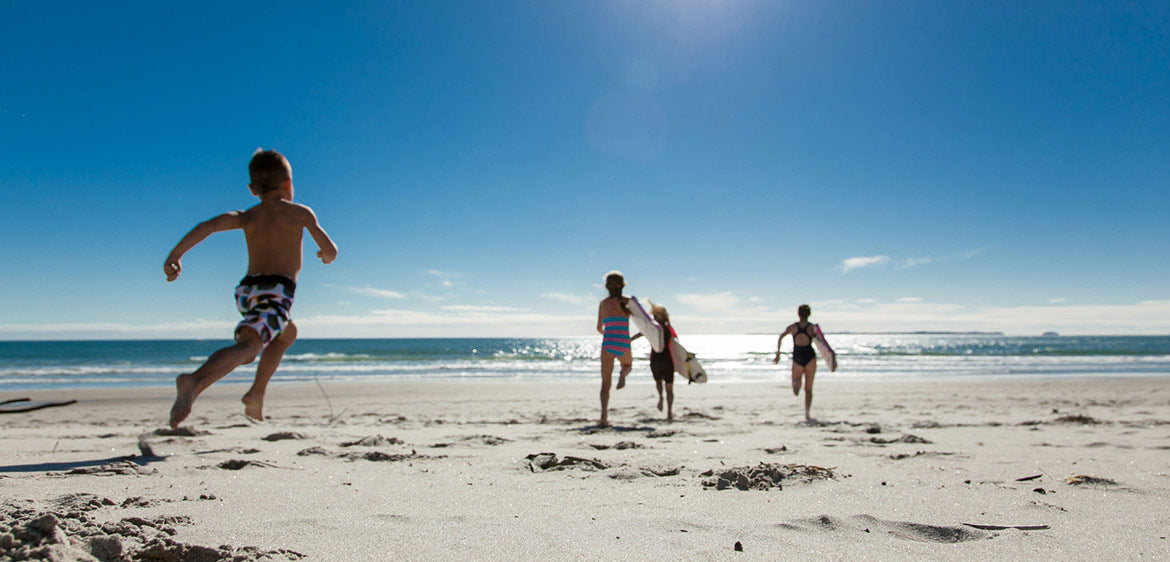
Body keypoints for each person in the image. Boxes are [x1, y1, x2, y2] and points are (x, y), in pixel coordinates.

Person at [163, 149, 338, 427]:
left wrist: (175, 256)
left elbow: (208, 226)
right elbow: (330, 250)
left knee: (286, 333)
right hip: (277, 291)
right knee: (249, 347)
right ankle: (193, 381)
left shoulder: (247, 216)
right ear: (288, 184)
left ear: (252, 189)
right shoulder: (300, 213)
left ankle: (256, 393)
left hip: (248, 292)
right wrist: (325, 256)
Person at [773, 304, 831, 421]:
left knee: (795, 386)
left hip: (797, 357)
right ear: (809, 314)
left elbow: (780, 337)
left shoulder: (793, 327)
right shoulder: (811, 328)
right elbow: (822, 344)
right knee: (808, 389)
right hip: (810, 357)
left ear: (798, 313)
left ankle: (796, 384)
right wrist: (830, 358)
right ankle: (807, 414)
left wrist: (778, 354)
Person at [596, 271, 633, 426]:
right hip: (624, 342)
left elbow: (599, 328)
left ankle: (604, 417)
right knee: (627, 365)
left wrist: (609, 334)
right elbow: (644, 321)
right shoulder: (628, 302)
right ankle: (623, 374)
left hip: (608, 343)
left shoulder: (603, 304)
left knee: (605, 383)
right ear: (623, 285)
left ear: (607, 287)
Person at [646, 301, 677, 421]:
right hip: (667, 360)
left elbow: (642, 332)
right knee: (669, 388)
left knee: (658, 383)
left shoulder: (652, 329)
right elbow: (676, 344)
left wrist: (630, 339)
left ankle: (660, 397)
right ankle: (669, 412)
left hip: (655, 360)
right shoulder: (669, 329)